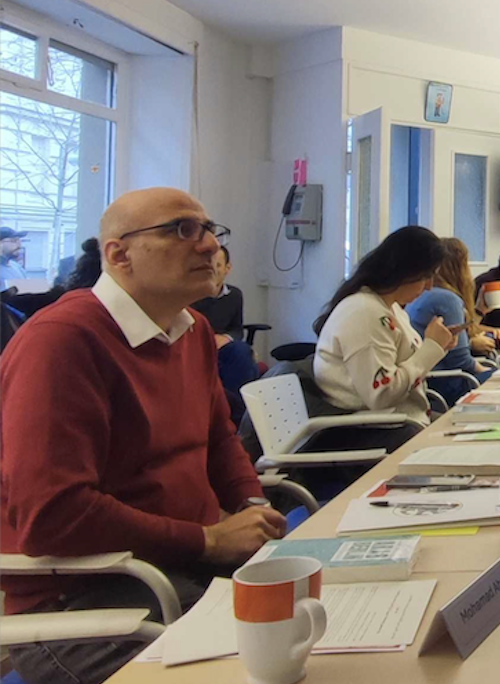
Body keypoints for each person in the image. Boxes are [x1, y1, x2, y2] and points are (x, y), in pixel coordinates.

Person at [1, 187, 286, 684]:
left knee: (322, 622)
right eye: (182, 230)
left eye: (209, 230)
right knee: (272, 663)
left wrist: (251, 506)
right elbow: (54, 514)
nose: (209, 246)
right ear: (119, 255)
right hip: (87, 596)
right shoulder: (62, 341)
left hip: (179, 565)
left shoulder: (193, 330)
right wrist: (206, 540)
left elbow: (218, 436)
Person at [312, 226, 455, 451]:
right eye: (426, 277)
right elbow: (381, 395)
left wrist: (438, 347)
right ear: (404, 271)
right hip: (369, 432)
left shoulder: (390, 308)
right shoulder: (365, 314)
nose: (429, 287)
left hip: (398, 422)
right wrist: (431, 347)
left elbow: (404, 367)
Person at [407, 237, 494, 406]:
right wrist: (494, 372)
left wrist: (479, 312)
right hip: (447, 384)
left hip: (429, 381)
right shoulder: (447, 299)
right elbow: (460, 360)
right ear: (460, 267)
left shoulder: (424, 295)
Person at [192, 246, 258, 394]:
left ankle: (237, 405)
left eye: (218, 265)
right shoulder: (191, 294)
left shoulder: (234, 295)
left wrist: (226, 338)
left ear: (227, 268)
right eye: (208, 265)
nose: (213, 270)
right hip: (196, 346)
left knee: (242, 352)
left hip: (222, 348)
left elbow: (237, 329)